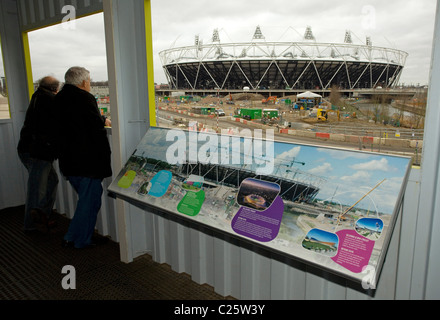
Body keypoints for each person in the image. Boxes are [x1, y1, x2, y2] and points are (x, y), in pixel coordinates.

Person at [55, 66, 112, 249]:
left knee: (88, 200)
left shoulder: (59, 98)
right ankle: (73, 238)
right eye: (89, 80)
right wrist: (103, 121)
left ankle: (84, 237)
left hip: (69, 161)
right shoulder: (84, 98)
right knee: (89, 201)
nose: (90, 83)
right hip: (87, 163)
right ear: (83, 82)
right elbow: (93, 124)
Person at [17, 76, 60, 233]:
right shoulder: (48, 100)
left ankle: (43, 217)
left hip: (32, 150)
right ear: (55, 89)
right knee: (37, 190)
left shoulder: (38, 97)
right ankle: (31, 225)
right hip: (38, 153)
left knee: (51, 181)